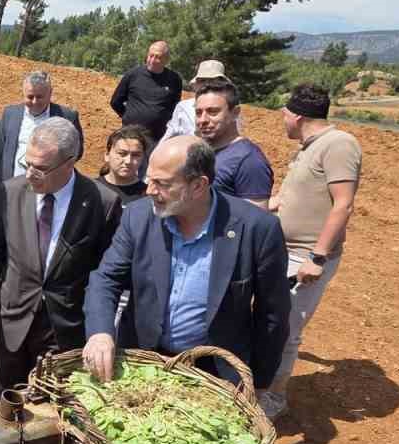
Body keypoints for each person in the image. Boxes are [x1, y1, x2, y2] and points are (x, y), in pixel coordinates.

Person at [82, 137, 291, 394]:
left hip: (213, 374)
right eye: (150, 179)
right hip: (142, 362)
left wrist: (258, 383)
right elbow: (106, 279)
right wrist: (100, 333)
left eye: (163, 183)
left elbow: (273, 315)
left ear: (197, 186)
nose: (149, 190)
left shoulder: (257, 229)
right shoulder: (138, 216)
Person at [0, 118, 121, 400]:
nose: (30, 174)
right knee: (5, 402)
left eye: (40, 168)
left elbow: (105, 274)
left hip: (65, 328)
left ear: (69, 163)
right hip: (13, 320)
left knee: (54, 407)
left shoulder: (102, 203)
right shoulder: (9, 192)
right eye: (26, 163)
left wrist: (99, 329)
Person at [264, 84, 362, 417]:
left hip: (304, 257)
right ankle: (261, 383)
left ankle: (274, 398)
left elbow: (343, 205)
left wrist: (317, 257)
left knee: (288, 327)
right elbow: (292, 198)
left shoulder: (339, 145)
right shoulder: (309, 147)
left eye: (285, 113)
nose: (283, 119)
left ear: (299, 116)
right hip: (283, 251)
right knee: (270, 321)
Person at [0, 70, 85, 182]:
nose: (35, 102)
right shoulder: (10, 114)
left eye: (40, 97)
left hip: (49, 184)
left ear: (50, 93)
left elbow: (76, 151)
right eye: (30, 97)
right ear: (23, 93)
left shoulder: (66, 117)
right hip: (12, 185)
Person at [194, 79, 273, 208]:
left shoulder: (249, 161)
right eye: (198, 112)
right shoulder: (199, 152)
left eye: (212, 112)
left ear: (235, 113)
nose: (202, 120)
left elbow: (255, 221)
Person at [109, 40, 183, 143]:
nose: (152, 60)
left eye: (157, 57)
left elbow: (175, 107)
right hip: (131, 135)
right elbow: (115, 102)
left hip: (158, 138)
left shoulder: (174, 79)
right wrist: (128, 116)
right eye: (150, 56)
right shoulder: (133, 75)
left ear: (166, 60)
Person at [162, 59, 240, 142]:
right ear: (195, 84)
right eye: (202, 80)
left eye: (212, 81)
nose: (207, 84)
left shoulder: (229, 109)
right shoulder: (183, 107)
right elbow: (170, 134)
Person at [97, 125, 153, 203]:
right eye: (122, 153)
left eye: (136, 155)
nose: (128, 161)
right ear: (107, 155)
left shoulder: (149, 196)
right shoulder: (91, 190)